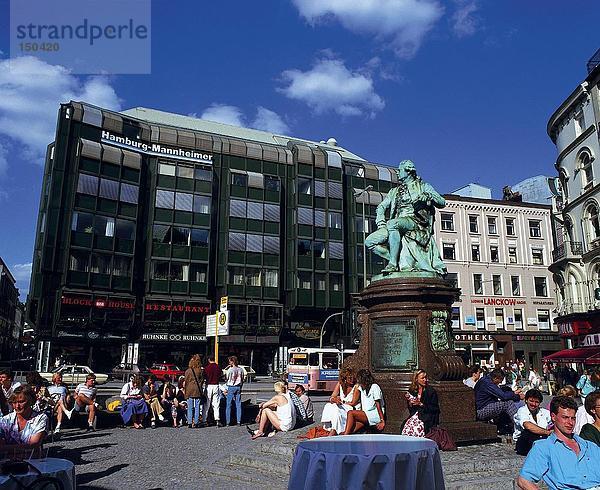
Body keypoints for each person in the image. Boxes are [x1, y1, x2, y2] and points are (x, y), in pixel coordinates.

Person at [364, 159, 446, 275]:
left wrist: (428, 196)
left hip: (415, 221)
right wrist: (381, 224)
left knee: (393, 224)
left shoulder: (423, 186)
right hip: (396, 222)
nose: (397, 173)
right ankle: (398, 260)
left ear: (408, 171)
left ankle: (392, 264)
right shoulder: (394, 191)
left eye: (399, 170)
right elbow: (381, 207)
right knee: (369, 241)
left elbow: (442, 202)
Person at [517, 395, 600, 489]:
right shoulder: (544, 447)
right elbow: (523, 480)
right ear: (553, 417)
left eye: (573, 418)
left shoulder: (589, 446)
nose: (570, 423)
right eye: (565, 417)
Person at [0, 385, 48, 454]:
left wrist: (6, 448)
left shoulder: (40, 418)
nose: (17, 406)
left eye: (21, 402)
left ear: (30, 401)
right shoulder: (5, 420)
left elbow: (33, 444)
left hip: (32, 460)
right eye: (14, 402)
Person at [321, 367, 361, 436]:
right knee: (329, 405)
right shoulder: (340, 384)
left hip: (351, 408)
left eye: (353, 377)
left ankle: (334, 430)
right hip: (342, 406)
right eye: (349, 378)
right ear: (344, 379)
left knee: (337, 410)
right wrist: (334, 399)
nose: (352, 379)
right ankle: (334, 428)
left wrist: (342, 402)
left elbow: (353, 403)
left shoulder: (356, 387)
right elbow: (332, 396)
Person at [342, 369, 385, 435]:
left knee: (350, 413)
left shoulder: (375, 387)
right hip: (366, 414)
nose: (358, 382)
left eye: (359, 380)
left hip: (375, 414)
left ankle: (344, 436)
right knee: (350, 430)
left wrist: (382, 421)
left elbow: (378, 406)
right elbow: (354, 399)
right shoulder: (362, 388)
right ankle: (345, 436)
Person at [513, 389, 552, 456]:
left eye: (536, 402)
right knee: (528, 432)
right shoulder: (522, 411)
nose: (533, 404)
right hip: (525, 442)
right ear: (526, 400)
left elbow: (555, 420)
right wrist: (547, 432)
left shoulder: (543, 412)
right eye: (531, 401)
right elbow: (527, 425)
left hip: (540, 439)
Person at [401, 369, 440, 437]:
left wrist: (421, 404)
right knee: (405, 427)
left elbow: (435, 408)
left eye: (425, 377)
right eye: (422, 378)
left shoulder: (430, 391)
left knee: (417, 428)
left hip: (426, 416)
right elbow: (411, 409)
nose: (425, 380)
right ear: (416, 379)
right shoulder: (413, 390)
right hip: (415, 415)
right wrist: (410, 402)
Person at [184, 354, 204, 428]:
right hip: (197, 389)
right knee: (197, 406)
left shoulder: (188, 371)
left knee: (190, 407)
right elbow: (202, 381)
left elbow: (186, 382)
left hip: (189, 389)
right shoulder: (200, 371)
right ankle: (196, 422)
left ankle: (189, 422)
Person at [203, 355, 223, 427]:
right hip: (216, 385)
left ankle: (204, 420)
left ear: (209, 359)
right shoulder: (218, 367)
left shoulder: (206, 368)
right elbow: (221, 376)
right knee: (216, 404)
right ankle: (217, 419)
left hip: (209, 386)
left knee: (207, 404)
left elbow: (204, 377)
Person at [225, 356, 244, 426]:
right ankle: (238, 421)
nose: (229, 362)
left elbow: (227, 378)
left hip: (231, 386)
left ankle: (228, 421)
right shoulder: (240, 369)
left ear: (232, 362)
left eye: (229, 361)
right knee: (238, 404)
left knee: (228, 405)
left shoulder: (230, 370)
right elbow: (242, 379)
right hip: (238, 386)